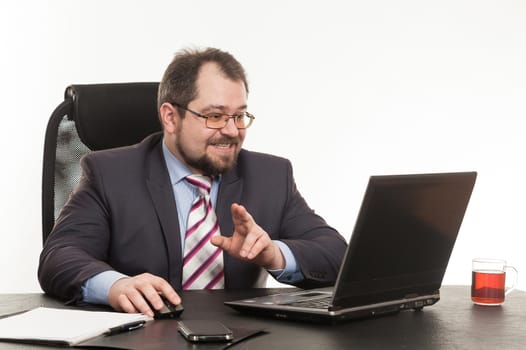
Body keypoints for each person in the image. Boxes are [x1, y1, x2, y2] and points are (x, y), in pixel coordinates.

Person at [38, 47, 347, 317]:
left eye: (239, 116)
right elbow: (58, 257)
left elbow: (336, 254)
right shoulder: (109, 174)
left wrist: (273, 254)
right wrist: (116, 286)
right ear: (171, 117)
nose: (231, 130)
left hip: (241, 339)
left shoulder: (270, 176)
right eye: (215, 116)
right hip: (144, 339)